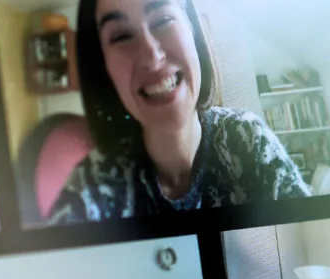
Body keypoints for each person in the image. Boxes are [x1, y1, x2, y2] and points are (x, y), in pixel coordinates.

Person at [44, 0, 310, 225]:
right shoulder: (94, 183)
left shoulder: (248, 139)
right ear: (104, 68)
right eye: (121, 36)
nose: (151, 55)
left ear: (193, 30)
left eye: (163, 20)